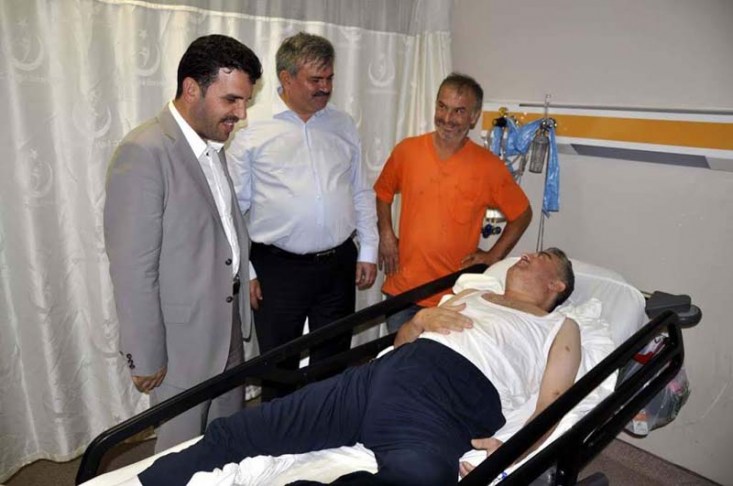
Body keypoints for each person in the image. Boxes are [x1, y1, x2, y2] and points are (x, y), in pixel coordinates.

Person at [136, 248, 580, 485]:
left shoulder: (559, 326)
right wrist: (420, 321)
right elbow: (402, 343)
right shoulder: (474, 293)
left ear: (557, 285)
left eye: (541, 258)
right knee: (248, 429)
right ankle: (151, 482)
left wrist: (514, 450)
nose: (525, 256)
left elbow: (554, 402)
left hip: (448, 402)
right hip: (385, 376)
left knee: (424, 478)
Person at [103, 35, 262, 452]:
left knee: (226, 443)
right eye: (231, 100)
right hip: (180, 343)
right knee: (180, 454)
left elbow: (221, 231)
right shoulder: (144, 151)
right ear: (191, 89)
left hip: (227, 326)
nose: (241, 113)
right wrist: (145, 354)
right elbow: (133, 267)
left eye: (245, 101)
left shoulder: (213, 145)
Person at [227, 32, 379, 392]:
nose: (325, 87)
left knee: (333, 366)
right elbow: (232, 209)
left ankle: (327, 424)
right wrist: (246, 270)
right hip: (278, 269)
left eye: (329, 78)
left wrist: (369, 249)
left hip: (338, 264)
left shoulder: (343, 124)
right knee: (279, 370)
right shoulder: (251, 127)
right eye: (315, 80)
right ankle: (278, 427)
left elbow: (360, 189)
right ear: (286, 77)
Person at [374, 73, 533, 333]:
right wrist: (386, 234)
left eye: (459, 111)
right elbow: (383, 192)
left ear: (474, 116)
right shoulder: (407, 151)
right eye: (442, 106)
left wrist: (493, 256)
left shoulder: (488, 167)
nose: (447, 118)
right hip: (403, 291)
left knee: (432, 360)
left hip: (453, 297)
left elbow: (523, 214)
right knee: (398, 356)